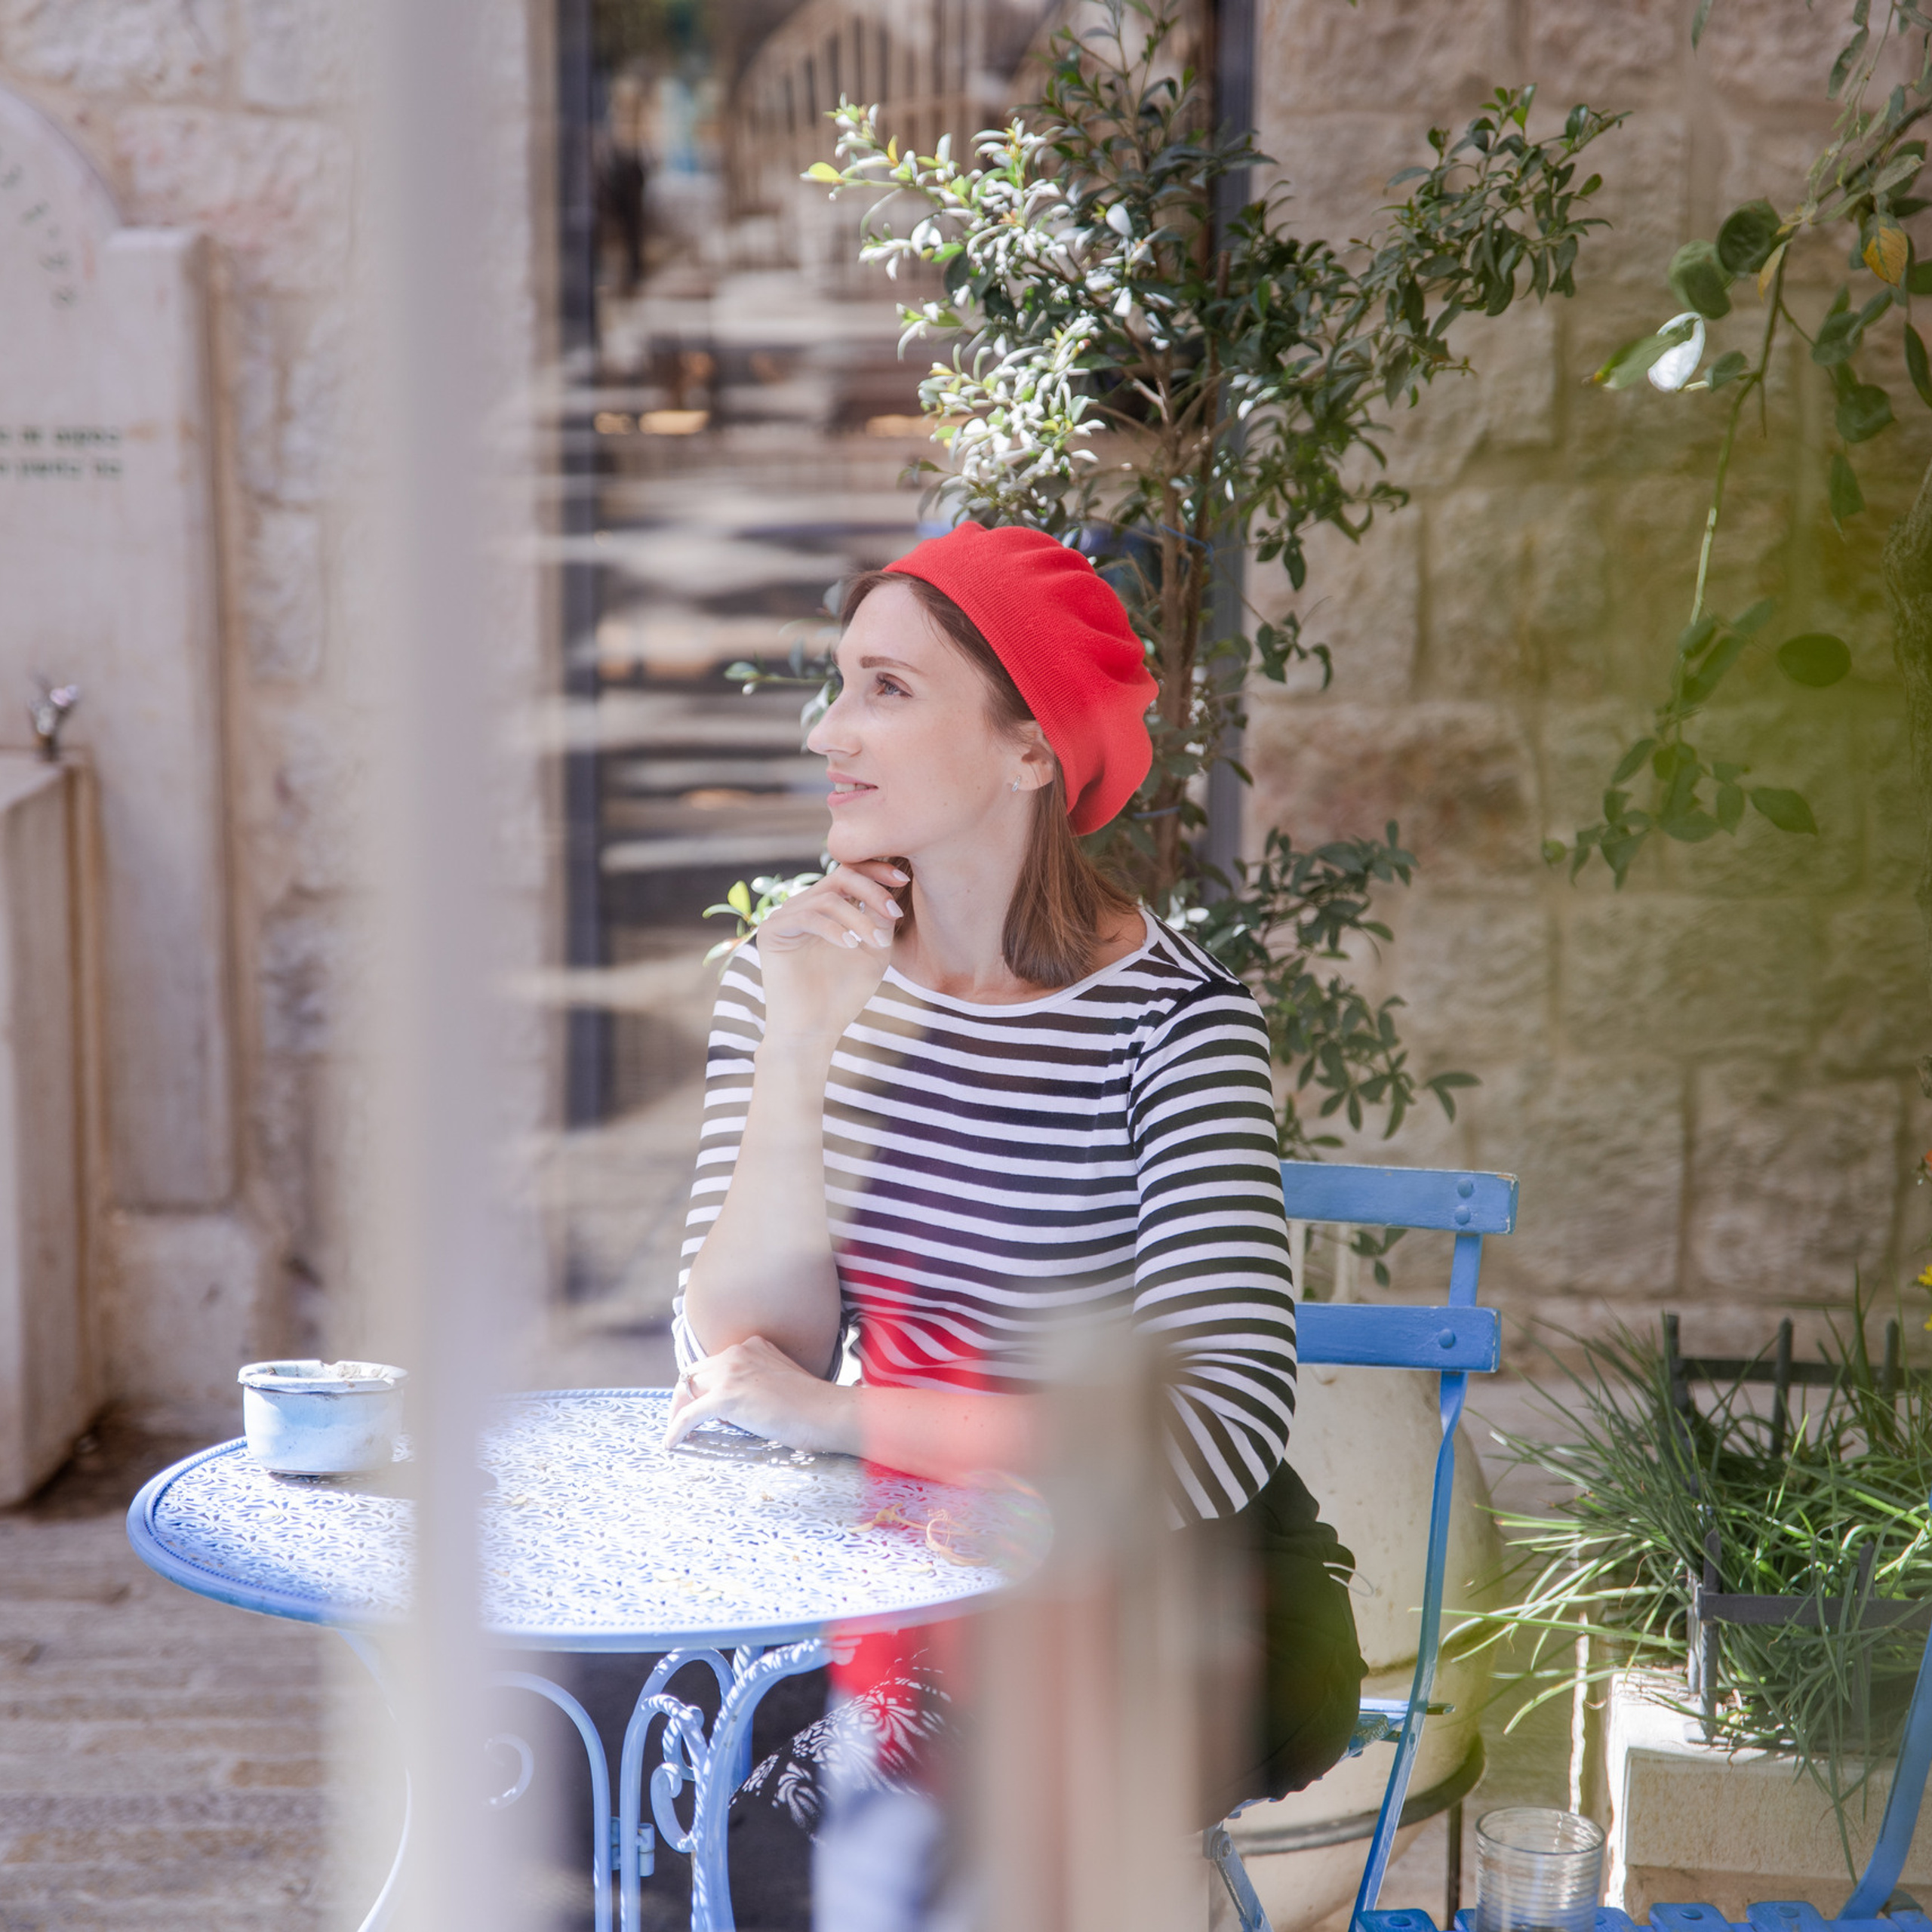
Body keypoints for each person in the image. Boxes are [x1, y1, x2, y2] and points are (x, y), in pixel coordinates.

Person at [665, 521, 1364, 1905]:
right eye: (839, 682)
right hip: (908, 1570)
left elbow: (1211, 1428)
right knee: (613, 1758)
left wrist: (840, 1420)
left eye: (887, 689)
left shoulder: (1178, 1029)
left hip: (1175, 1597)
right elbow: (745, 1356)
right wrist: (801, 1047)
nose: (827, 734)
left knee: (780, 1828)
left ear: (1032, 747)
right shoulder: (797, 977)